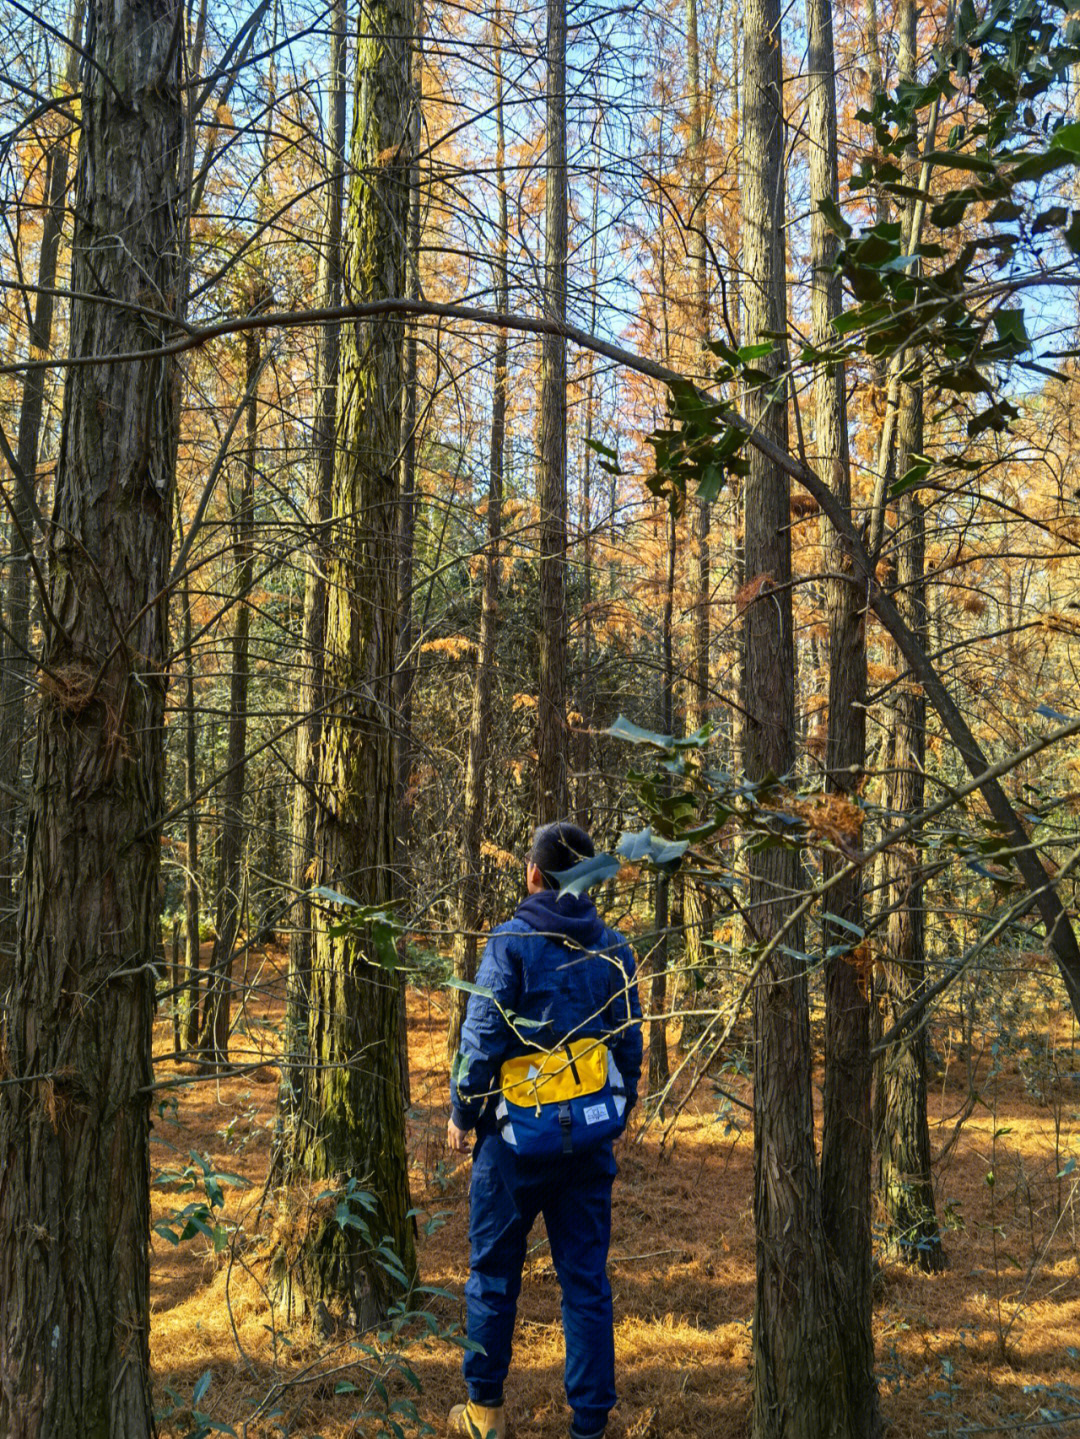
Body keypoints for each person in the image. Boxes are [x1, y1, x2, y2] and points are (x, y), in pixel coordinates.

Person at [447, 821, 643, 1439]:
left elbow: (481, 1040)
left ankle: (485, 1414)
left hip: (511, 1148)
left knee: (493, 1276)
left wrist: (462, 1111)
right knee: (585, 1284)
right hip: (587, 1146)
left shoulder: (509, 944)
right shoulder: (615, 951)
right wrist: (615, 1113)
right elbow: (630, 1049)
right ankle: (589, 1426)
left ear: (533, 874)